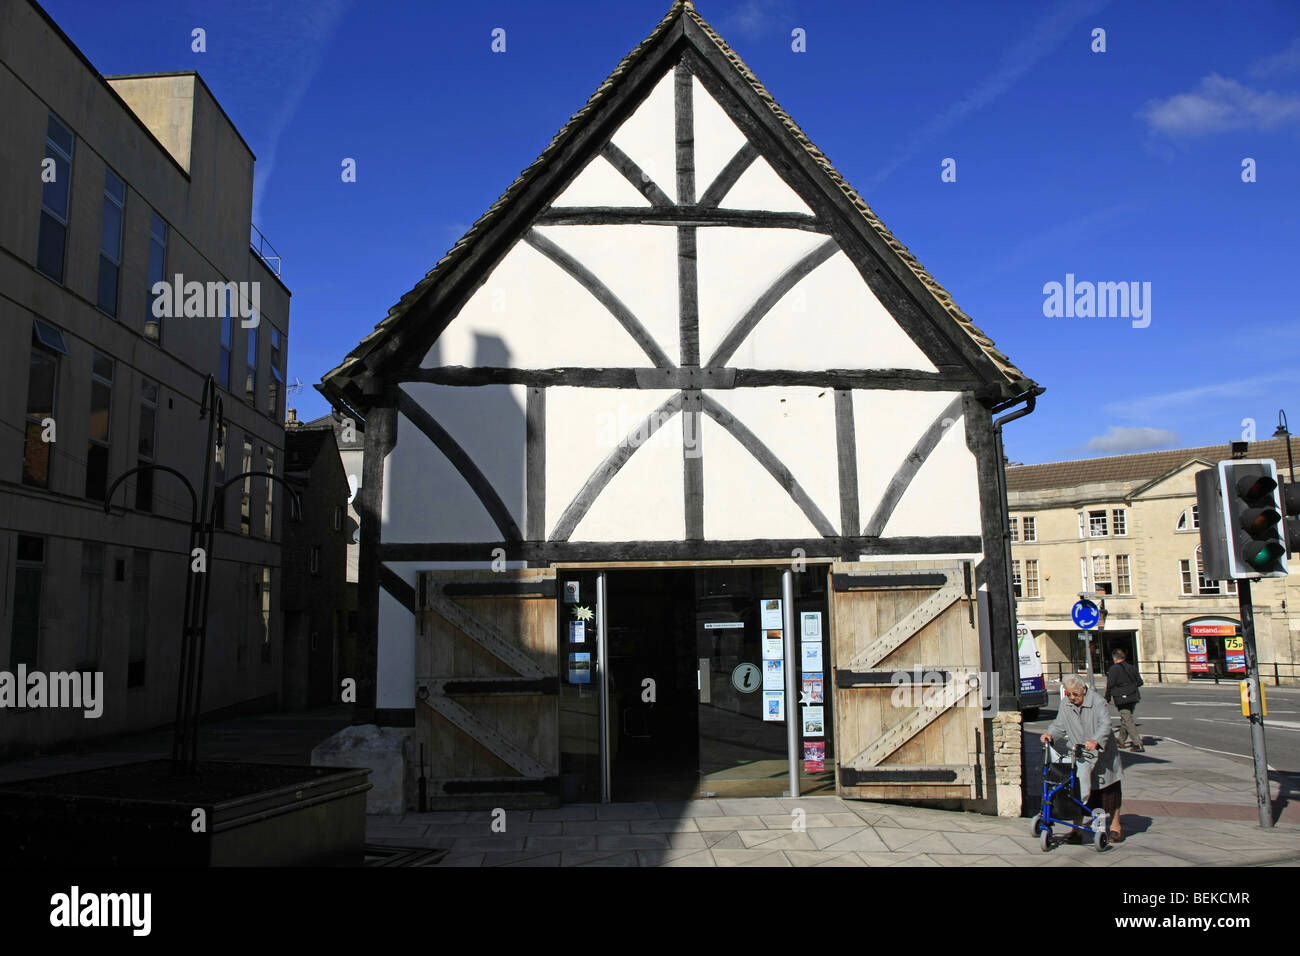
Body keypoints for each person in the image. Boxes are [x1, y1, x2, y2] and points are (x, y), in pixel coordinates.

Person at [1040, 674, 1125, 843]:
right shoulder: (1066, 704)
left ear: (1084, 690)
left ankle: (1116, 827)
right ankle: (1076, 830)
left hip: (1102, 755)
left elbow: (1105, 724)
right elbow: (1059, 725)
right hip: (1079, 753)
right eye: (1069, 694)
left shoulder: (1097, 702)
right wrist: (1050, 734)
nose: (1072, 698)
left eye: (1075, 694)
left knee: (1108, 792)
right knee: (1077, 791)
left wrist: (1096, 740)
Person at [1104, 648, 1144, 752]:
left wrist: (1107, 698)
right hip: (1133, 696)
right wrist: (1130, 686)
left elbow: (1110, 685)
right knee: (1126, 718)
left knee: (1127, 719)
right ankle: (1121, 740)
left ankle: (1137, 743)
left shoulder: (1113, 669)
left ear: (1115, 658)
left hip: (1121, 697)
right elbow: (1140, 682)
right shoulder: (1132, 667)